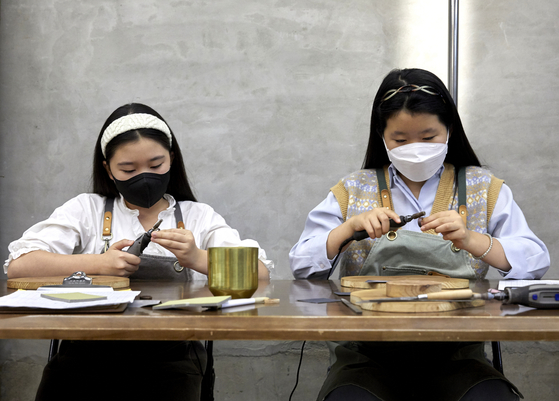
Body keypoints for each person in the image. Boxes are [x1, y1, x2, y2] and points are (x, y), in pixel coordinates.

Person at [289, 68, 549, 401]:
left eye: (428, 138)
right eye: (400, 139)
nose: (415, 149)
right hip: (367, 355)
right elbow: (301, 264)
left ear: (449, 130)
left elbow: (535, 260)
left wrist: (472, 240)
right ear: (382, 136)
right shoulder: (354, 189)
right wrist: (349, 228)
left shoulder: (483, 187)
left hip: (457, 354)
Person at [4, 103, 273, 400]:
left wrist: (197, 257)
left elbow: (259, 273)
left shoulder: (198, 216)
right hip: (84, 356)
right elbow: (19, 266)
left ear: (172, 159)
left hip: (173, 358)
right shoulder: (86, 209)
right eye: (128, 169)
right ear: (108, 168)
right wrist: (99, 264)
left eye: (156, 166)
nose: (144, 177)